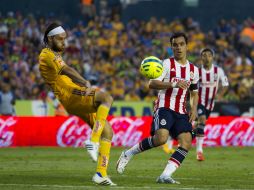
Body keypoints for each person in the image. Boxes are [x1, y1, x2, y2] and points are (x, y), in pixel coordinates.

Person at [116, 32, 199, 184]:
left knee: (186, 142)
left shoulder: (194, 70)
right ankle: (128, 153)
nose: (178, 48)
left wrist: (194, 108)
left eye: (181, 44)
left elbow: (194, 92)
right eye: (175, 45)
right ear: (172, 47)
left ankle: (165, 175)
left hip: (181, 111)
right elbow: (152, 84)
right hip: (164, 107)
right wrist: (173, 83)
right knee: (161, 139)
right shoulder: (166, 64)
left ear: (187, 46)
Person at [39, 23, 116, 186]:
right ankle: (92, 141)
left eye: (64, 39)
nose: (64, 42)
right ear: (50, 38)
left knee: (108, 132)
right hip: (71, 95)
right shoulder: (46, 54)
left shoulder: (53, 55)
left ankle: (100, 173)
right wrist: (85, 82)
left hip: (74, 96)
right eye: (60, 39)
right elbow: (66, 70)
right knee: (106, 98)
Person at [195, 48, 229, 161]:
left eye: (209, 55)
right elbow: (192, 87)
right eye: (204, 55)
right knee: (202, 119)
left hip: (211, 103)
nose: (206, 57)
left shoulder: (218, 71)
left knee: (198, 125)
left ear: (212, 57)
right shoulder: (197, 72)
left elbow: (225, 84)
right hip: (200, 101)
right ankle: (199, 151)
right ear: (201, 58)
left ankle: (185, 137)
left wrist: (220, 95)